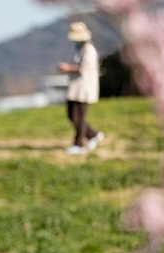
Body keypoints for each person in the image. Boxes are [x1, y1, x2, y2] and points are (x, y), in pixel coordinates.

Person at [58, 22, 104, 155]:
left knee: (79, 117)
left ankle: (79, 143)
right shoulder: (81, 49)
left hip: (84, 88)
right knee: (72, 115)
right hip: (76, 88)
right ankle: (93, 135)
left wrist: (68, 68)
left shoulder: (89, 50)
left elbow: (84, 69)